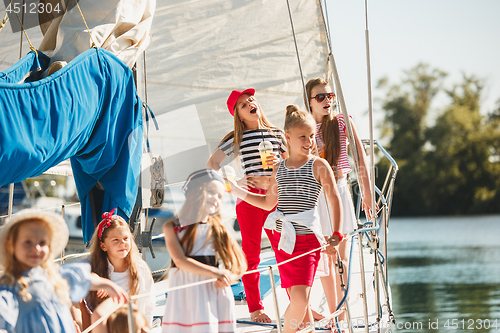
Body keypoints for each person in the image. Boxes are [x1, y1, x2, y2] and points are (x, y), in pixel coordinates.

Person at [227, 106, 343, 333]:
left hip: (309, 241)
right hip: (283, 242)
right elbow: (268, 205)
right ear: (287, 138)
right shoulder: (278, 168)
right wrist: (235, 190)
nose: (309, 141)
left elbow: (334, 199)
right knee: (302, 309)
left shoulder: (319, 165)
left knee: (299, 299)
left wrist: (336, 234)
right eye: (303, 137)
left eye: (311, 136)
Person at [206, 88, 288, 323]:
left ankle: (296, 301)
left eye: (251, 99)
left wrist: (280, 163)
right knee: (251, 256)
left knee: (284, 250)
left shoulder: (277, 134)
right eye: (243, 104)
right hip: (250, 200)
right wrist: (233, 183)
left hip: (274, 198)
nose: (250, 103)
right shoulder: (237, 138)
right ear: (239, 115)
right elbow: (211, 165)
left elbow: (291, 165)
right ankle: (255, 308)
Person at [305, 77, 377, 325]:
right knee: (325, 257)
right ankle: (334, 315)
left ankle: (341, 312)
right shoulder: (304, 129)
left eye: (330, 96)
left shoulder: (343, 121)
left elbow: (360, 157)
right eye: (320, 97)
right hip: (316, 197)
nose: (327, 101)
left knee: (340, 257)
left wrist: (367, 192)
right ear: (310, 102)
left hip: (340, 190)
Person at [0, 209, 129, 333]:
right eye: (28, 242)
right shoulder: (10, 286)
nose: (36, 248)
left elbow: (77, 277)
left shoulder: (51, 275)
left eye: (42, 242)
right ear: (10, 245)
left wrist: (106, 284)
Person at [162, 169, 247, 333]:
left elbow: (239, 264)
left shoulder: (218, 229)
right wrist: (216, 273)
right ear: (195, 193)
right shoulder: (172, 228)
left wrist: (228, 275)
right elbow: (180, 261)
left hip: (211, 290)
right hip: (184, 292)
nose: (216, 198)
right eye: (211, 192)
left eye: (220, 196)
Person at [86, 209, 155, 331]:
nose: (122, 243)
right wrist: (96, 279)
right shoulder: (93, 267)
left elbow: (149, 303)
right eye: (115, 240)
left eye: (125, 238)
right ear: (103, 245)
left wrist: (145, 327)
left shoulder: (140, 268)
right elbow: (74, 275)